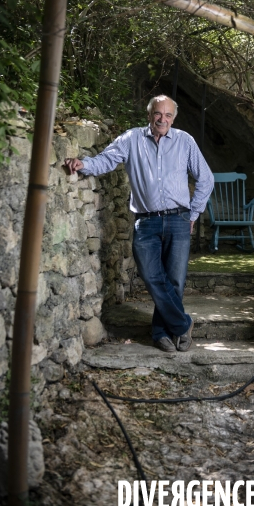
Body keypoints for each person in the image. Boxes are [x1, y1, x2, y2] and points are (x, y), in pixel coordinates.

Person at [64, 95, 214, 353]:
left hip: (179, 219)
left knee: (175, 281)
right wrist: (84, 164)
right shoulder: (131, 139)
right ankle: (182, 325)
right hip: (146, 222)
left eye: (168, 115)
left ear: (173, 118)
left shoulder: (185, 141)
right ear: (149, 115)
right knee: (152, 276)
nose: (162, 119)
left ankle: (161, 333)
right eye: (158, 114)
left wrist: (193, 214)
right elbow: (106, 160)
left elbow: (206, 178)